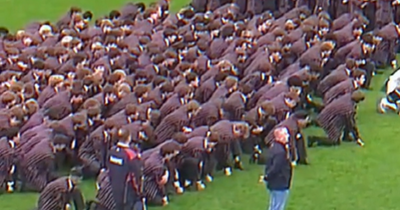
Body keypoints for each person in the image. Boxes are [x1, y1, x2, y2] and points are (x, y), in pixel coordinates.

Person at [106, 127, 145, 210]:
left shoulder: (112, 151)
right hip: (127, 190)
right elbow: (137, 174)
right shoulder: (131, 154)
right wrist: (140, 192)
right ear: (129, 138)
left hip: (114, 186)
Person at [263, 127, 293, 210]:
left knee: (273, 205)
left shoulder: (274, 148)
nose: (288, 136)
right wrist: (267, 177)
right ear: (279, 137)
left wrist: (266, 177)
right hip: (280, 183)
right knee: (278, 206)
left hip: (274, 183)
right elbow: (276, 167)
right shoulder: (280, 152)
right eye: (285, 134)